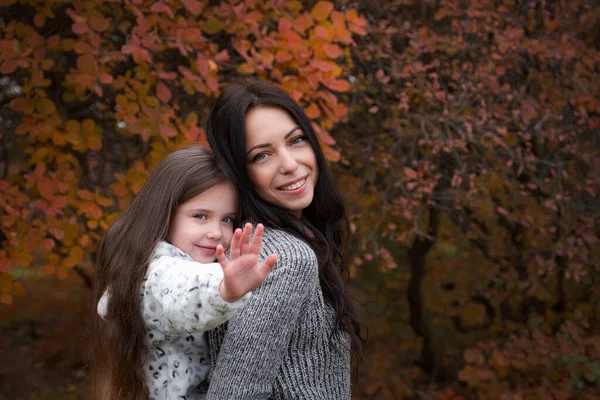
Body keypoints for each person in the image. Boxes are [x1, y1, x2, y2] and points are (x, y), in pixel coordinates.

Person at [205, 78, 364, 399]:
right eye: (262, 156)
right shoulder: (283, 258)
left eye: (296, 140)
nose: (290, 165)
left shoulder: (284, 244)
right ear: (238, 171)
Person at [90, 146, 277, 400]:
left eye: (226, 219)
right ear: (164, 214)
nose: (216, 232)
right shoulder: (156, 271)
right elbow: (180, 292)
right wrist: (224, 289)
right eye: (200, 216)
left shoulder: (147, 261)